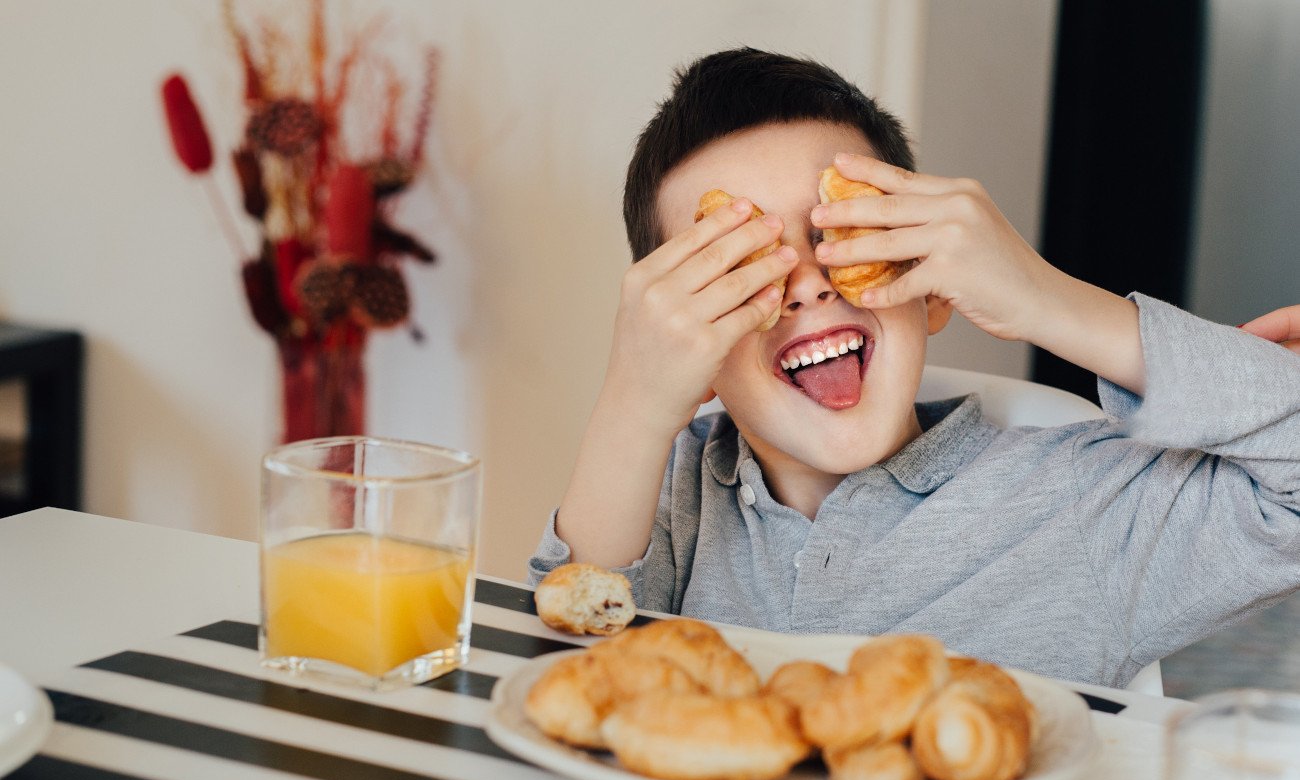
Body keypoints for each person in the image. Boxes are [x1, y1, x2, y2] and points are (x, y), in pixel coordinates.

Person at [527, 48, 1300, 688]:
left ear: (936, 291)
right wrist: (632, 405)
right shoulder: (668, 502)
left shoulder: (1080, 509)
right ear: (690, 352)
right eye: (741, 268)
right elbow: (563, 666)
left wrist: (1050, 299)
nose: (809, 283)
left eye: (848, 235)